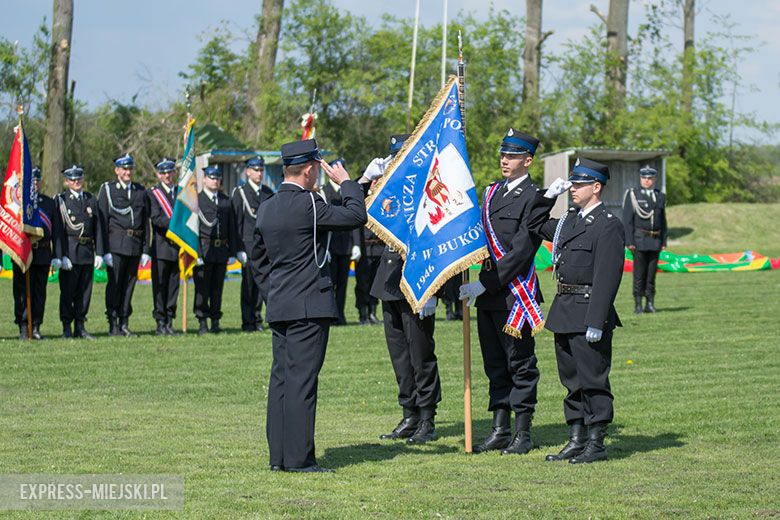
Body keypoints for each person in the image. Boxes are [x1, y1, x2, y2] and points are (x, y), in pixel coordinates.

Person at [255, 139, 367, 473]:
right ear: (309, 170)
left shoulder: (267, 206)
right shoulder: (309, 205)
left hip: (280, 304)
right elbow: (355, 215)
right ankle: (300, 459)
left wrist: (274, 292)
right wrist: (346, 182)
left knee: (281, 382)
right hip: (308, 306)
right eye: (317, 168)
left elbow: (258, 263)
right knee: (302, 383)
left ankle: (279, 457)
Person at [530, 157, 625, 464]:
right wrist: (547, 197)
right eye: (572, 183)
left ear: (596, 187)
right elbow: (533, 224)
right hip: (564, 310)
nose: (573, 188)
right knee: (571, 380)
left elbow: (607, 276)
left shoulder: (608, 225)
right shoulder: (570, 221)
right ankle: (576, 438)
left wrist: (596, 319)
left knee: (593, 379)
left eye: (580, 184)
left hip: (587, 312)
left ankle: (596, 442)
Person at [458, 129, 547, 455]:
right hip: (490, 296)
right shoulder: (491, 193)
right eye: (502, 155)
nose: (504, 160)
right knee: (494, 363)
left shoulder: (534, 198)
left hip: (516, 297)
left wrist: (487, 283)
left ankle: (522, 432)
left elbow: (523, 249)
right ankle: (500, 428)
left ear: (528, 160)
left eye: (511, 156)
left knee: (520, 364)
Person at [369, 133, 442, 444]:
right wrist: (363, 181)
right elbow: (363, 216)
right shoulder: (390, 192)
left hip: (417, 279)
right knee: (399, 353)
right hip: (389, 278)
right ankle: (408, 412)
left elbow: (438, 239)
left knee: (420, 352)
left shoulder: (429, 190)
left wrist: (435, 289)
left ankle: (427, 416)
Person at [97, 153, 150, 337]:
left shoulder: (140, 191)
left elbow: (145, 222)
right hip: (116, 245)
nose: (128, 172)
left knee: (129, 286)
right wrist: (103, 251)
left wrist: (145, 249)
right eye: (124, 169)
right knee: (115, 285)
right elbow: (102, 222)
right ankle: (112, 322)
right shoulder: (108, 190)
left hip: (135, 245)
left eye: (130, 169)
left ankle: (124, 321)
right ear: (117, 170)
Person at [12, 166, 62, 340]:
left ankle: (37, 326)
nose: (34, 184)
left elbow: (56, 231)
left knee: (40, 291)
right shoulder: (17, 203)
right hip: (23, 252)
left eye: (37, 180)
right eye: (31, 181)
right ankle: (24, 326)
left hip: (42, 253)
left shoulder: (48, 203)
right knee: (22, 290)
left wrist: (57, 255)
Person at [56, 165, 103, 339]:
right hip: (70, 251)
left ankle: (80, 326)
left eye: (79, 178)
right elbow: (59, 231)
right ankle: (67, 327)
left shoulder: (91, 199)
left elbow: (98, 228)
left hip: (86, 252)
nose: (76, 182)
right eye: (73, 179)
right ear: (66, 181)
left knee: (85, 292)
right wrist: (61, 255)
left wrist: (100, 252)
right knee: (68, 292)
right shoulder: (61, 200)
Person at [194, 165, 241, 335]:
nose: (215, 181)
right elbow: (194, 229)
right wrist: (196, 253)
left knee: (217, 289)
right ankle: (202, 321)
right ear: (204, 179)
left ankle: (215, 320)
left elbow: (232, 228)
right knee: (202, 288)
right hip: (204, 248)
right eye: (212, 178)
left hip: (221, 250)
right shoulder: (196, 200)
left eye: (217, 178)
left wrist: (233, 252)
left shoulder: (225, 200)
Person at [232, 156, 274, 332]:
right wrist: (238, 249)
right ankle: (247, 321)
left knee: (265, 284)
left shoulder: (268, 192)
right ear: (247, 171)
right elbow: (236, 224)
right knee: (249, 286)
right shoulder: (240, 192)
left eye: (261, 170)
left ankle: (258, 319)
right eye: (255, 170)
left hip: (266, 247)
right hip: (248, 246)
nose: (259, 173)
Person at [623, 165, 667, 313]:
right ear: (640, 179)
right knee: (639, 275)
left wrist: (664, 241)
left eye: (650, 178)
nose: (647, 181)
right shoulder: (633, 195)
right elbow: (627, 221)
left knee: (651, 275)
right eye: (644, 178)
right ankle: (638, 305)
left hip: (655, 241)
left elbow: (663, 220)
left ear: (654, 179)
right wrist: (629, 241)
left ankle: (650, 303)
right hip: (639, 240)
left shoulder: (660, 196)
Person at [320, 157, 357, 325]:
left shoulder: (347, 190)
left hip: (346, 245)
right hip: (330, 244)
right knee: (331, 282)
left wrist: (356, 244)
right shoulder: (324, 191)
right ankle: (330, 314)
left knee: (342, 283)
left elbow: (355, 218)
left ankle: (340, 314)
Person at [148, 157, 181, 335]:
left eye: (170, 172)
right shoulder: (153, 194)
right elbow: (156, 219)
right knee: (160, 286)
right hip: (161, 247)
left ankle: (170, 320)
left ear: (174, 173)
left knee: (174, 286)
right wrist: (176, 223)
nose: (167, 175)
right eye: (163, 173)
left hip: (177, 247)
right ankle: (160, 321)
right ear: (159, 175)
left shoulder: (181, 192)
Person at [352, 217, 382, 325]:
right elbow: (355, 227)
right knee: (363, 283)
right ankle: (363, 314)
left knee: (376, 283)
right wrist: (356, 245)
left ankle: (372, 313)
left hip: (379, 248)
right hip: (365, 249)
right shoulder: (361, 205)